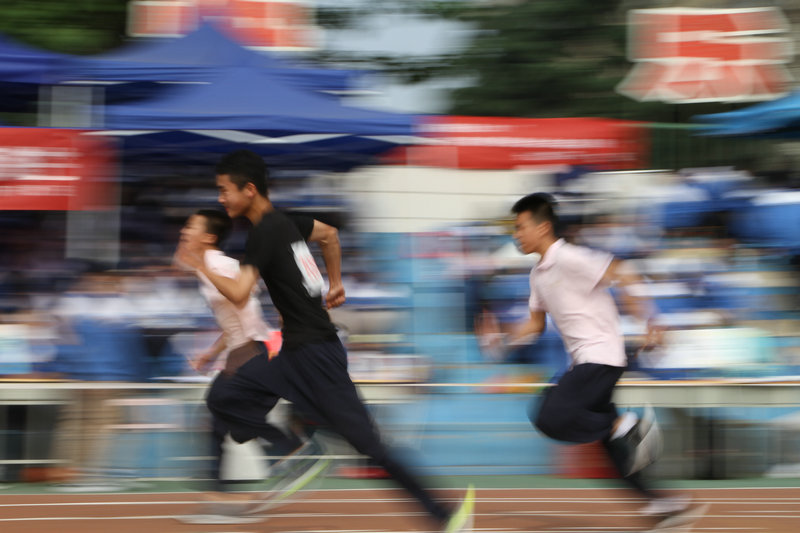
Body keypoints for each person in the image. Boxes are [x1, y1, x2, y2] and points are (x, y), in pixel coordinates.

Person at [176, 150, 474, 531]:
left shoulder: (264, 231)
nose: (221, 198)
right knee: (223, 396)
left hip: (316, 354)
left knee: (368, 446)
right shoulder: (289, 221)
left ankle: (445, 514)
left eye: (224, 190)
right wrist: (335, 283)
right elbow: (330, 235)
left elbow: (238, 292)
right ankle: (300, 448)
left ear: (248, 190)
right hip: (292, 353)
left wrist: (198, 263)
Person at [487, 192, 691, 522]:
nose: (516, 234)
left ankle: (629, 426)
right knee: (608, 446)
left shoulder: (570, 257)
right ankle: (661, 505)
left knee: (549, 415)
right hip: (588, 360)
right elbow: (535, 325)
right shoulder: (538, 274)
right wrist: (504, 339)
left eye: (520, 227)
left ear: (543, 227)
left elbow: (623, 272)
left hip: (600, 355)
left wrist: (650, 318)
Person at [175, 208, 302, 494]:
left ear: (208, 237)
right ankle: (217, 490)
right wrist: (211, 353)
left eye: (191, 226)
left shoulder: (218, 265)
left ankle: (291, 447)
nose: (184, 231)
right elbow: (234, 317)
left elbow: (243, 298)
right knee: (220, 425)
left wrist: (199, 265)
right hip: (244, 349)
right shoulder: (208, 268)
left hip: (254, 350)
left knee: (217, 401)